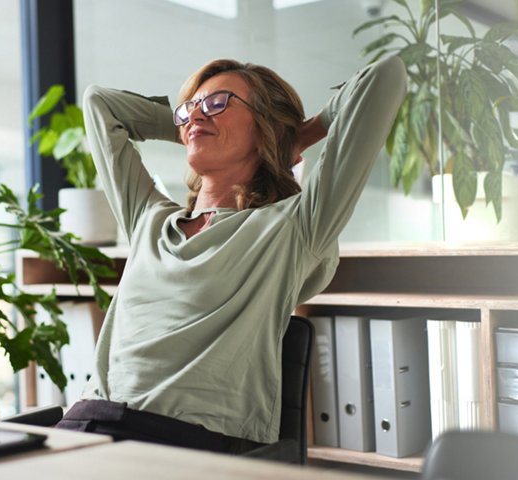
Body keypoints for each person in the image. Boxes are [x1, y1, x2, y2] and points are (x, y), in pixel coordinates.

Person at [53, 56, 408, 455]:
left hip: (179, 442)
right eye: (191, 107)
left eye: (218, 103)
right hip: (84, 423)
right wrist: (192, 128)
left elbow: (386, 76)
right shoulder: (148, 220)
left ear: (265, 127)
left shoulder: (292, 227)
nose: (197, 115)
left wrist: (296, 136)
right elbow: (100, 103)